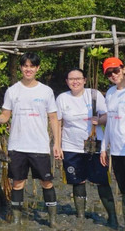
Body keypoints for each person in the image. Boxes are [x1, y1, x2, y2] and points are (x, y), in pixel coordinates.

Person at [0, 52, 61, 227]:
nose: (28, 69)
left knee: (47, 182)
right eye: (25, 66)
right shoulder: (12, 90)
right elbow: (6, 115)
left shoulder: (46, 91)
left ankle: (52, 220)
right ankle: (16, 220)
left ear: (37, 68)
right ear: (21, 68)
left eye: (32, 66)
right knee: (17, 183)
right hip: (17, 145)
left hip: (39, 145)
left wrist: (57, 144)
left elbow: (53, 118)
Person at [58, 67, 117, 227]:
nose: (75, 81)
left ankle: (112, 217)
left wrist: (100, 120)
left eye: (78, 78)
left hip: (94, 146)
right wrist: (57, 145)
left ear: (84, 80)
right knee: (78, 181)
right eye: (71, 79)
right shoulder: (62, 98)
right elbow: (57, 122)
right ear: (67, 82)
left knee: (101, 181)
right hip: (71, 146)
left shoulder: (94, 94)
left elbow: (106, 116)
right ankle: (81, 216)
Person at [100, 57, 125, 226]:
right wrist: (103, 148)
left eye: (115, 70)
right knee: (123, 191)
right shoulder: (110, 93)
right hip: (116, 150)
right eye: (109, 73)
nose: (113, 75)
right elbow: (109, 122)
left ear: (123, 69)